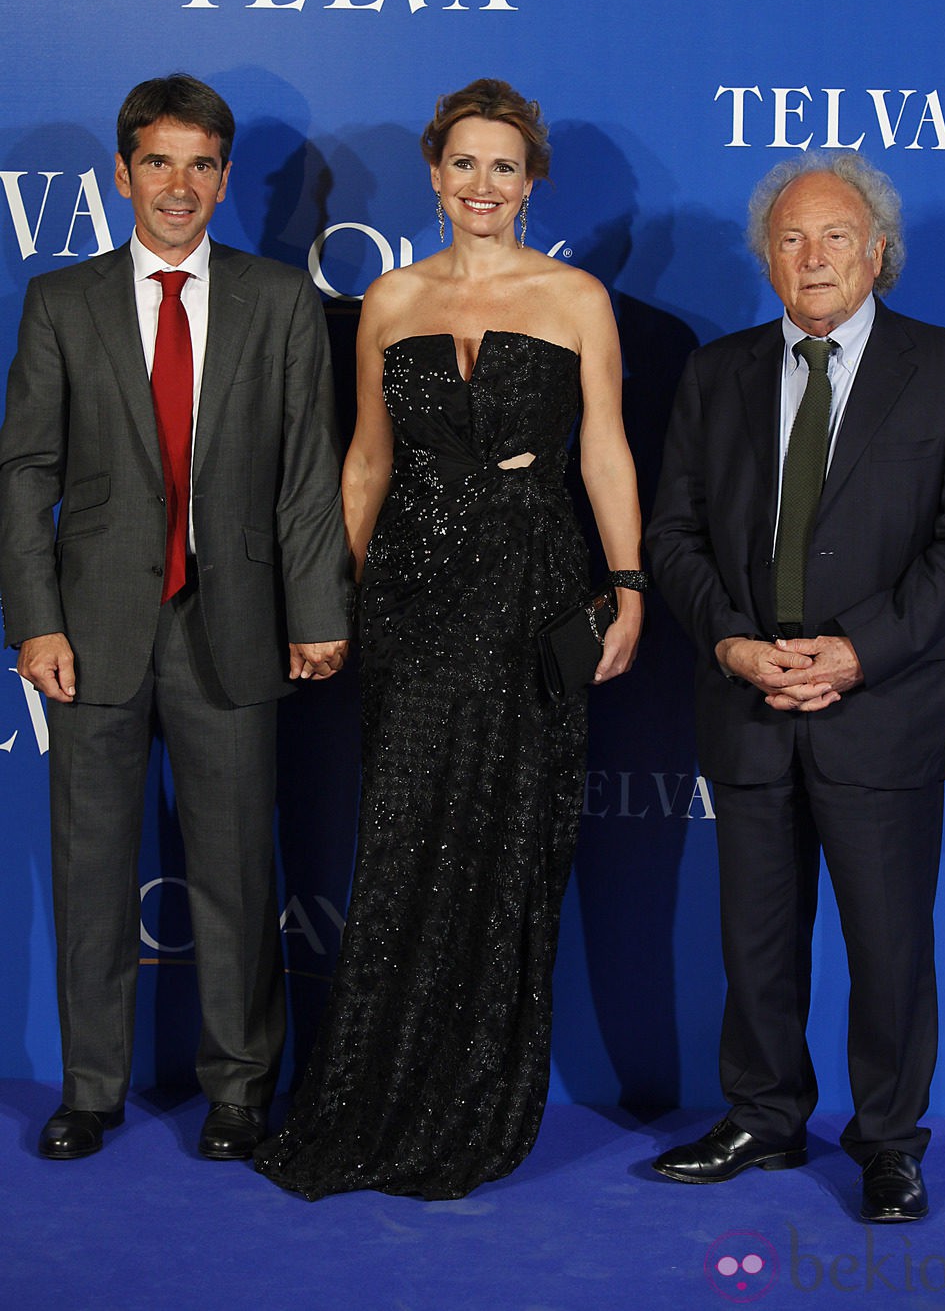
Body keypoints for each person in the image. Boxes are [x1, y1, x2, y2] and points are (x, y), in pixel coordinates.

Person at [253, 78, 645, 1200]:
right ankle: (375, 1092)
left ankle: (476, 1090)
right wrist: (327, 598)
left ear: (532, 182)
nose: (482, 186)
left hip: (531, 586)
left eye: (504, 167)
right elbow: (367, 461)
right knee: (405, 836)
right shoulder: (387, 299)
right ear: (434, 176)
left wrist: (624, 586)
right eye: (463, 165)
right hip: (413, 599)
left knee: (509, 839)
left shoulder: (574, 298)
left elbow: (604, 451)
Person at [0, 74, 351, 1162]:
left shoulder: (279, 300)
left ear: (225, 178)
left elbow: (305, 476)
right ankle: (90, 1090)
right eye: (158, 162)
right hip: (92, 629)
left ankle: (241, 1090)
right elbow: (23, 475)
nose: (179, 185)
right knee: (91, 867)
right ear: (121, 174)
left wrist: (316, 609)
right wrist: (34, 622)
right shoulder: (62, 301)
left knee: (240, 873)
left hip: (235, 622)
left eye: (201, 164)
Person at [646, 152, 945, 1223]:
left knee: (887, 943)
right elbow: (674, 534)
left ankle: (885, 1140)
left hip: (880, 705)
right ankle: (763, 1116)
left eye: (834, 236)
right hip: (744, 697)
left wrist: (855, 652)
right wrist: (733, 644)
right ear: (766, 260)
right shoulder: (717, 372)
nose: (811, 256)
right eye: (789, 239)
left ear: (876, 253)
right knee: (754, 930)